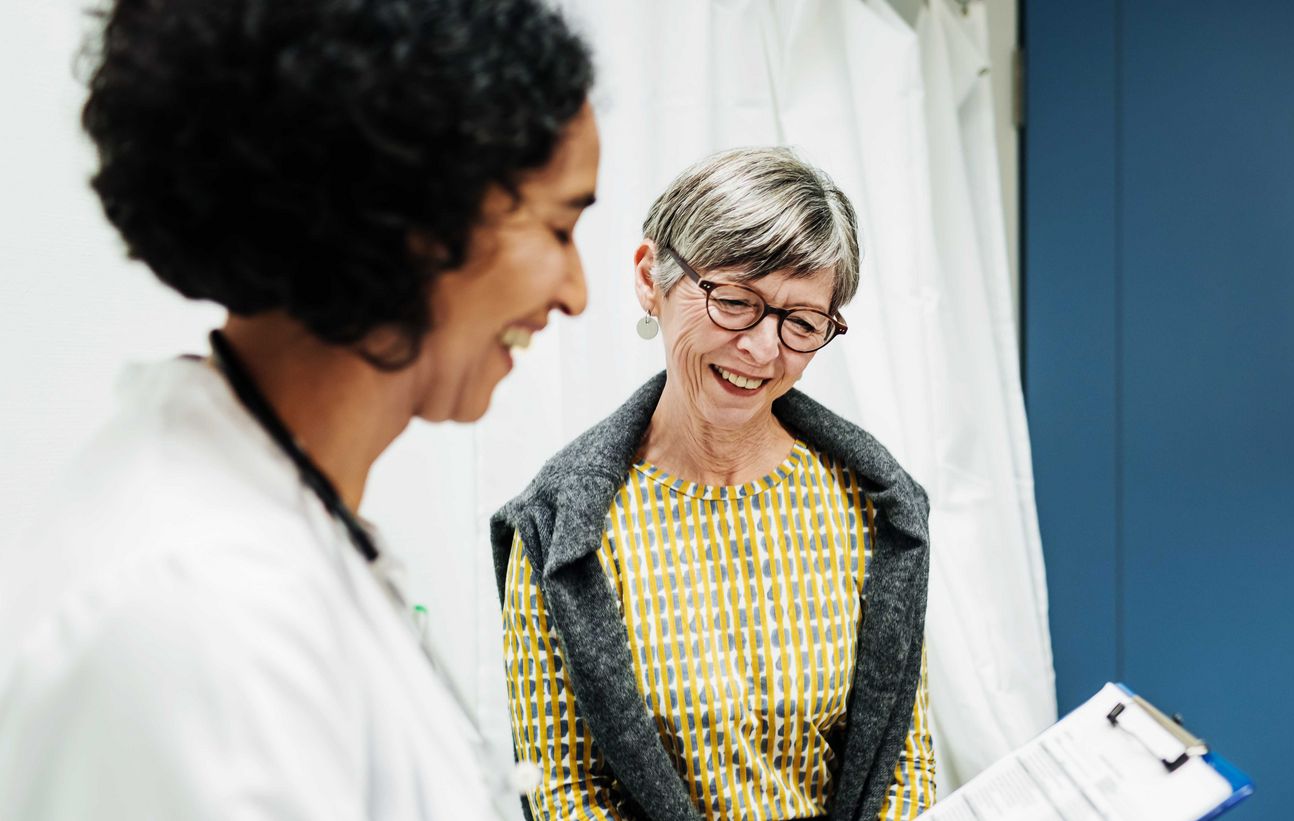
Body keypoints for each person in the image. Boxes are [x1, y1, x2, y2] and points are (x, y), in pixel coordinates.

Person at [0, 0, 598, 818]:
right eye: (561, 227)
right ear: (417, 217)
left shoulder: (282, 524)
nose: (576, 293)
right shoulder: (195, 607)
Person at [492, 147, 937, 821]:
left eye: (802, 322)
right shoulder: (561, 529)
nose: (762, 349)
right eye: (735, 301)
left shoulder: (873, 505)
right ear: (652, 279)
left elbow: (900, 759)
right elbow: (564, 790)